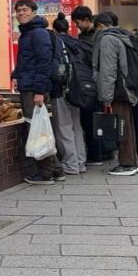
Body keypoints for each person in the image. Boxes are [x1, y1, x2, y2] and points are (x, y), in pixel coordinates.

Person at [11, 0, 63, 184]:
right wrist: (16, 75)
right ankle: (57, 170)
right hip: (29, 86)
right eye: (18, 11)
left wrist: (39, 91)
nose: (21, 13)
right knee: (40, 127)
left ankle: (45, 173)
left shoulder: (37, 33)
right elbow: (26, 61)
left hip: (34, 89)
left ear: (34, 12)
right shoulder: (28, 33)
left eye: (25, 10)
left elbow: (44, 63)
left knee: (37, 130)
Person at [91, 12, 138, 176]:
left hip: (117, 90)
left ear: (100, 26)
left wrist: (106, 97)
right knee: (127, 126)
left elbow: (108, 71)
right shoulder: (122, 35)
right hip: (126, 88)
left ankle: (127, 164)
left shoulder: (107, 40)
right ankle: (131, 161)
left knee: (121, 127)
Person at [51, 12, 88, 175]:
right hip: (77, 89)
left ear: (55, 29)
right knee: (76, 126)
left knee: (64, 127)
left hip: (61, 89)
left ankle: (70, 163)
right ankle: (80, 162)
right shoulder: (76, 42)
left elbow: (57, 67)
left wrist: (57, 82)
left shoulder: (56, 42)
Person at [72, 6, 104, 166]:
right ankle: (100, 153)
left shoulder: (98, 37)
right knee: (92, 119)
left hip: (93, 84)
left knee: (91, 120)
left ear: (86, 20)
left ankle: (96, 154)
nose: (77, 26)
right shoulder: (87, 37)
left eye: (78, 23)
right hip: (91, 83)